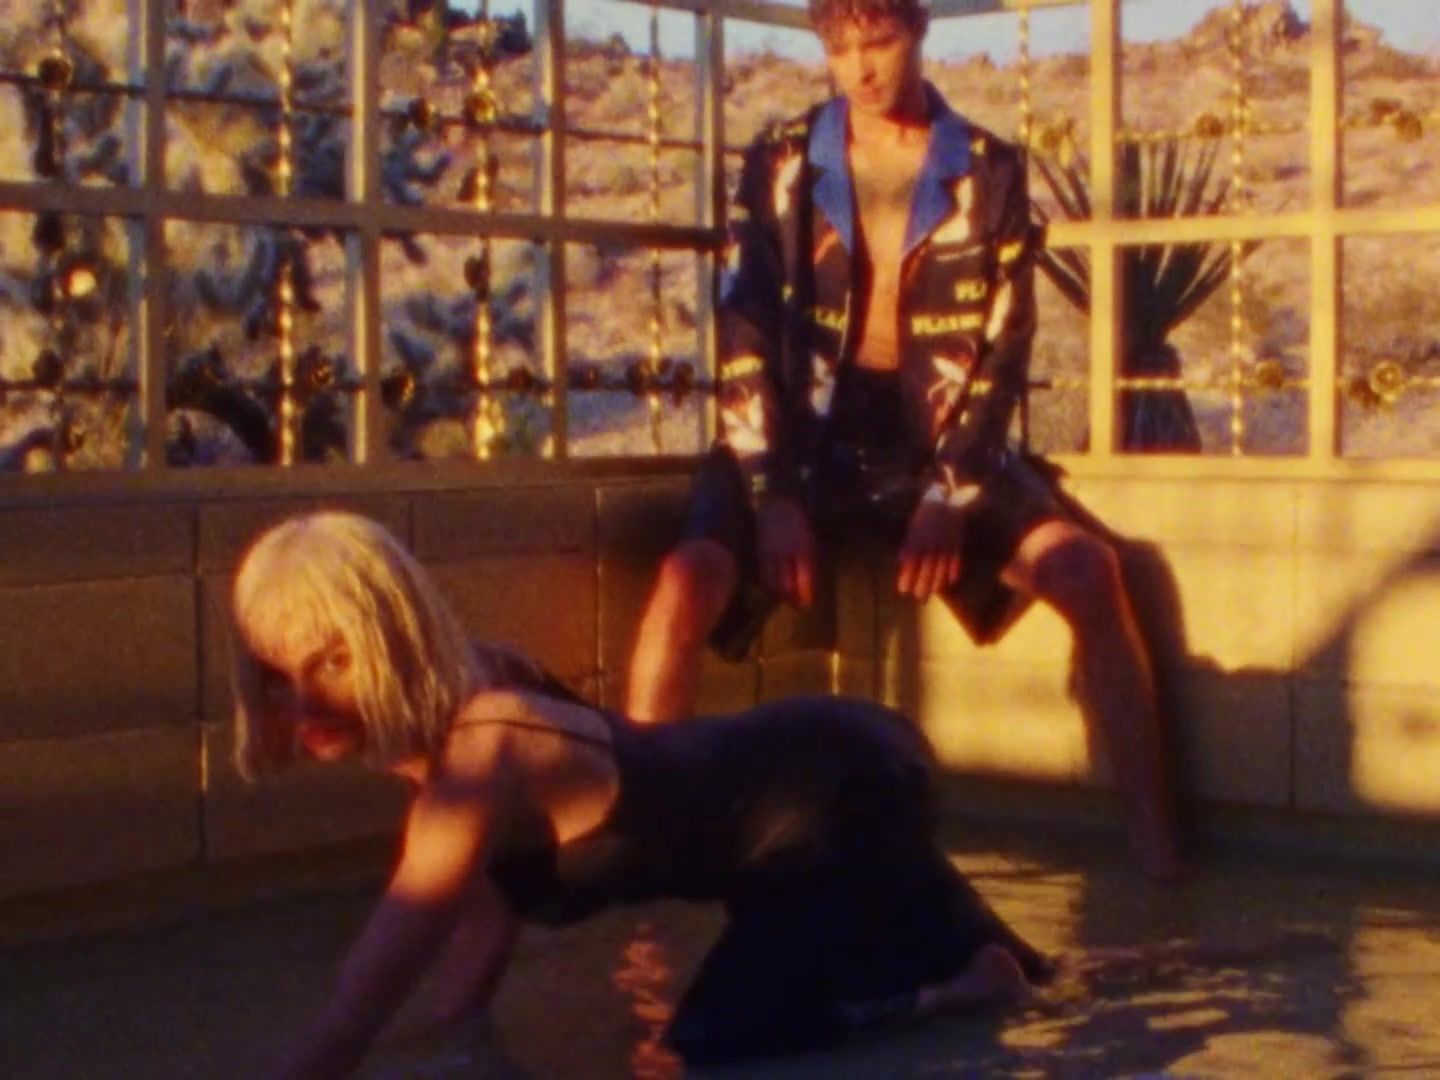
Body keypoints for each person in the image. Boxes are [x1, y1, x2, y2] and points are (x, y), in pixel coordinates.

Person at [626, 0, 1182, 879]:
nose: (861, 67)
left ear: (919, 32)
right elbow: (743, 331)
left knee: (1089, 570)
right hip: (799, 438)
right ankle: (641, 849)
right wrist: (771, 494)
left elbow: (1004, 347)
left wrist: (949, 492)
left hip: (934, 438)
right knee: (686, 579)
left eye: (879, 41)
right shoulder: (781, 162)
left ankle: (1160, 855)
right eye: (840, 47)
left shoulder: (986, 170)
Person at [229, 511, 1053, 1075]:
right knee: (1061, 978)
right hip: (827, 766)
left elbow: (355, 1009)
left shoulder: (481, 753)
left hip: (838, 792)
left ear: (391, 638)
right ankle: (984, 968)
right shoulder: (472, 687)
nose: (302, 703)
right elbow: (479, 933)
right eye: (274, 675)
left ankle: (953, 993)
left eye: (332, 662)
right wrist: (459, 1051)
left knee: (712, 1048)